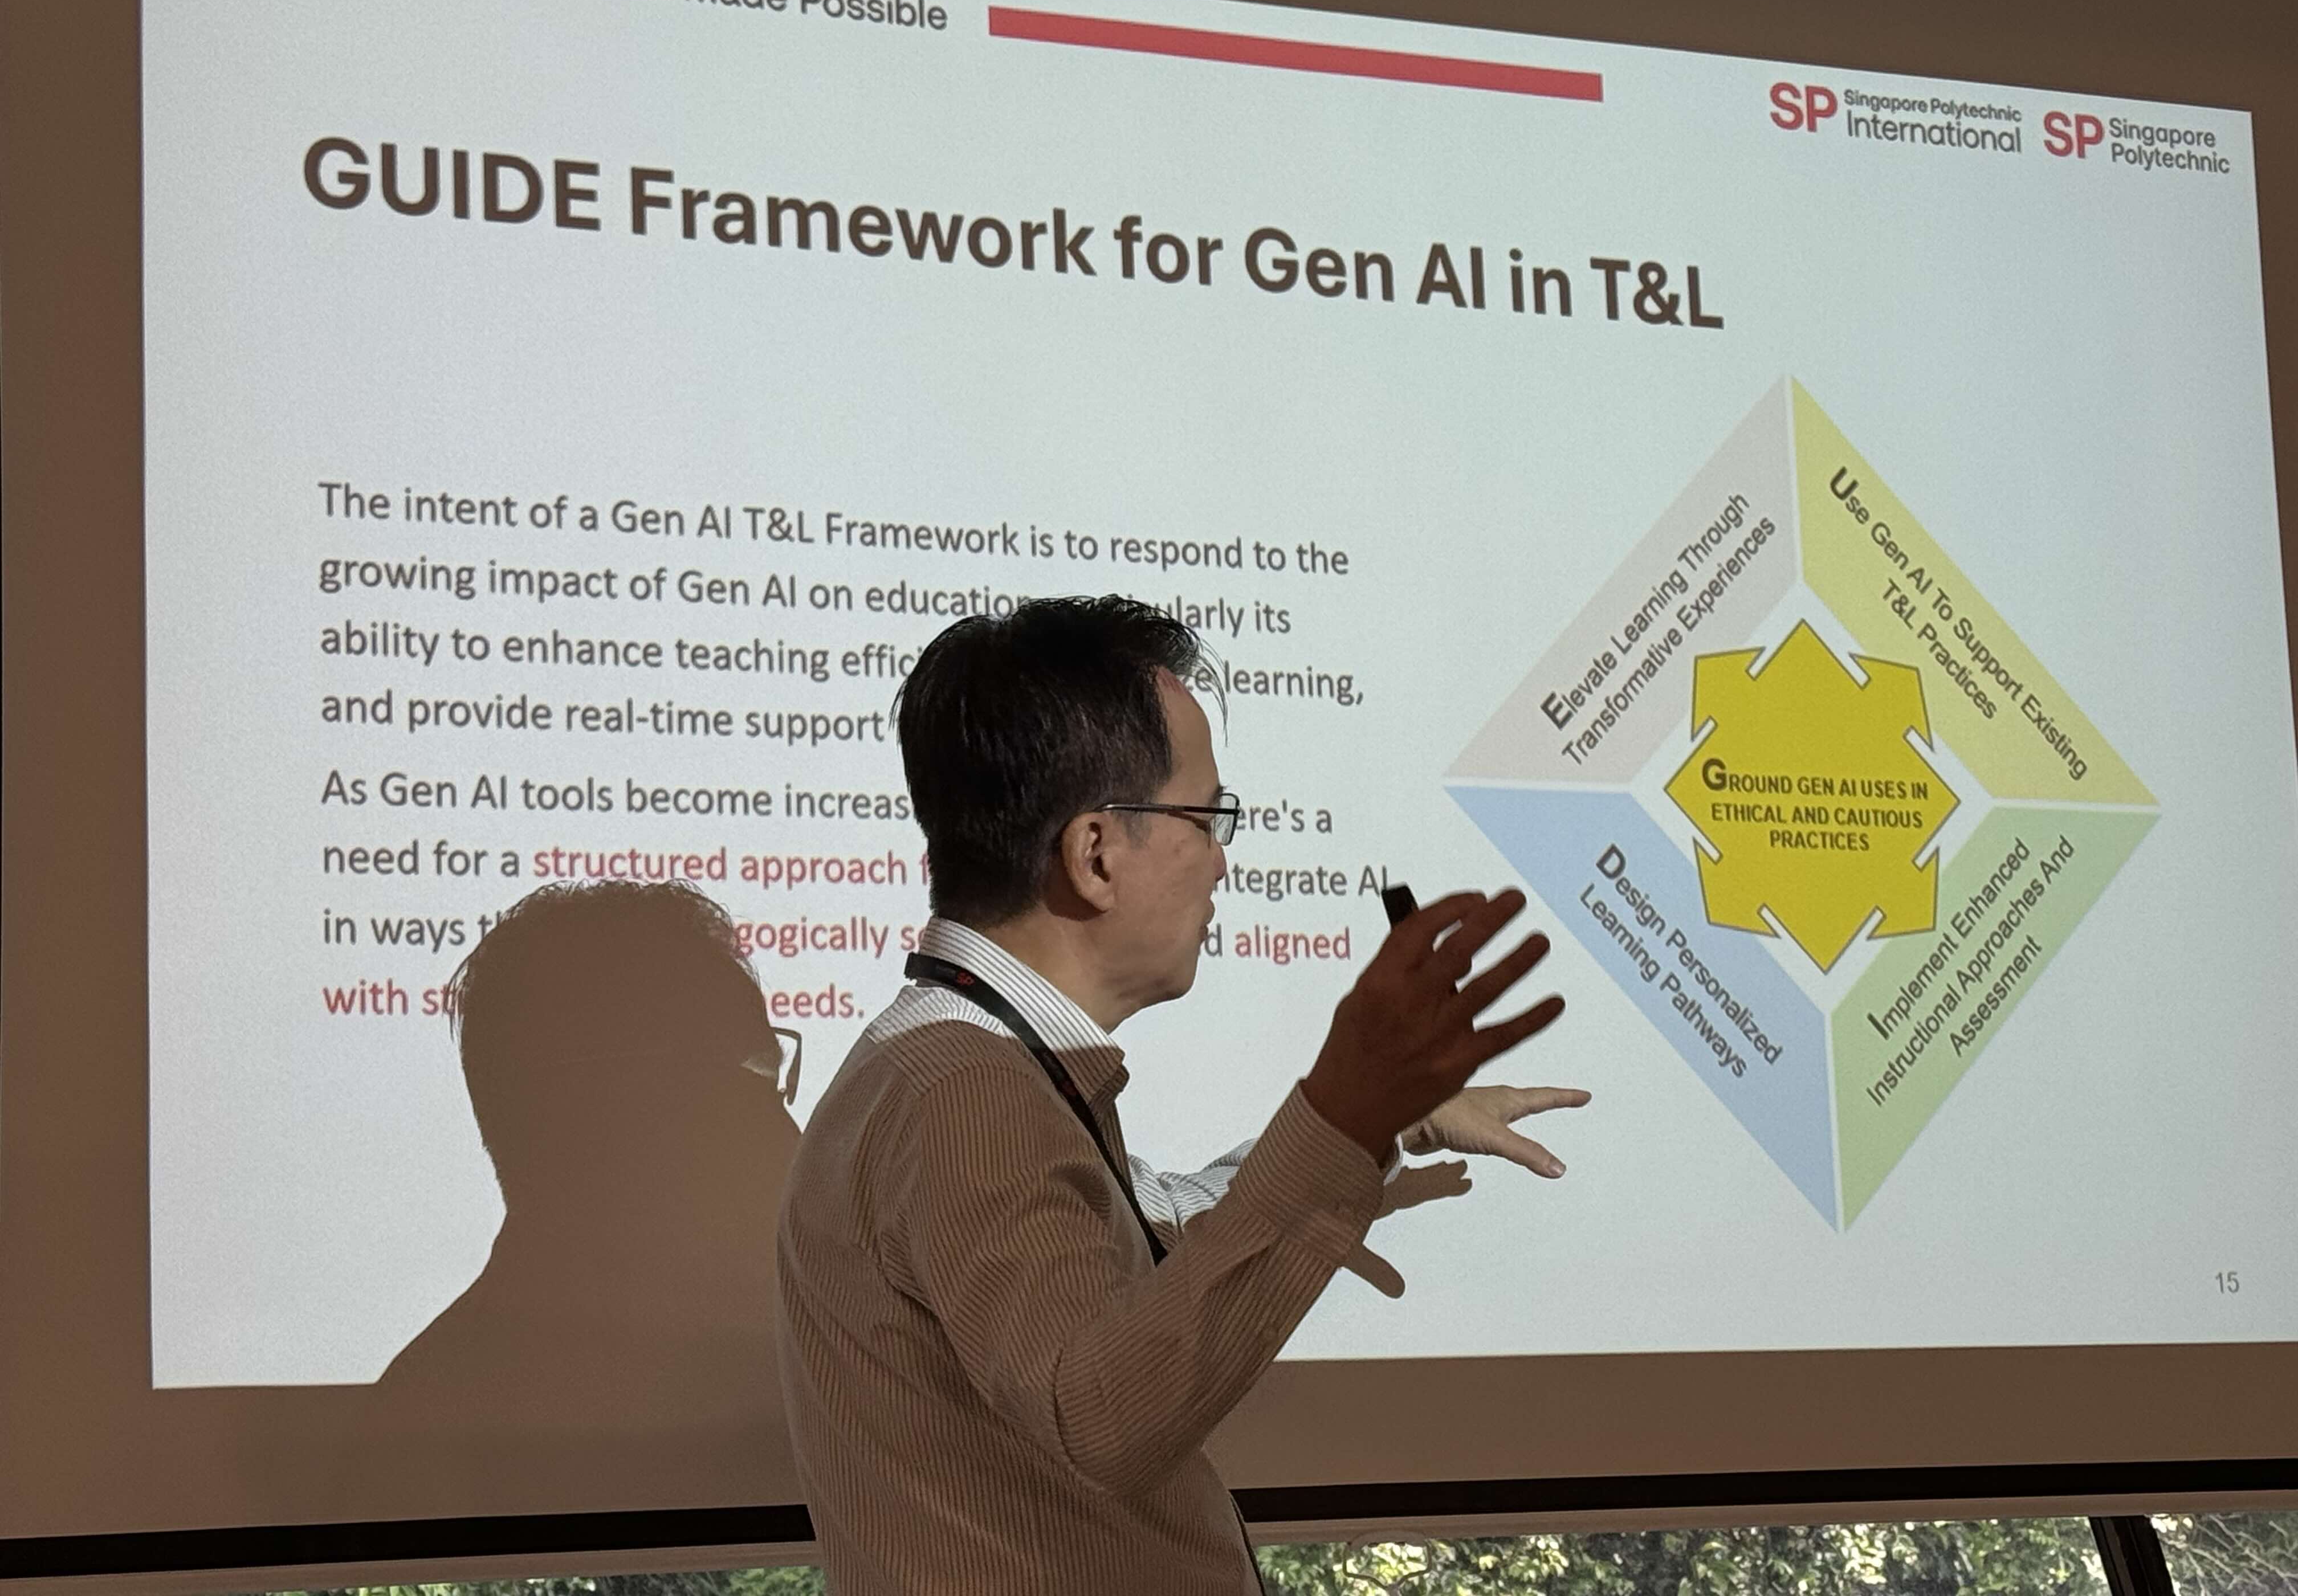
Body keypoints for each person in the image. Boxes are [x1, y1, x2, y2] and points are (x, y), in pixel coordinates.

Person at [776, 596, 1587, 1593]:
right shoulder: (963, 1093)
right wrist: (1341, 1112)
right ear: (1094, 854)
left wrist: (1382, 1118)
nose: (1222, 859)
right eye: (1206, 819)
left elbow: (1147, 1233)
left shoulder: (956, 1063)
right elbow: (1101, 1414)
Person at [376, 880, 803, 1504]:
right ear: (604, 1115)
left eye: (772, 1086)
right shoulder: (427, 1446)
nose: (792, 1139)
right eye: (744, 1087)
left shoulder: (429, 1406)